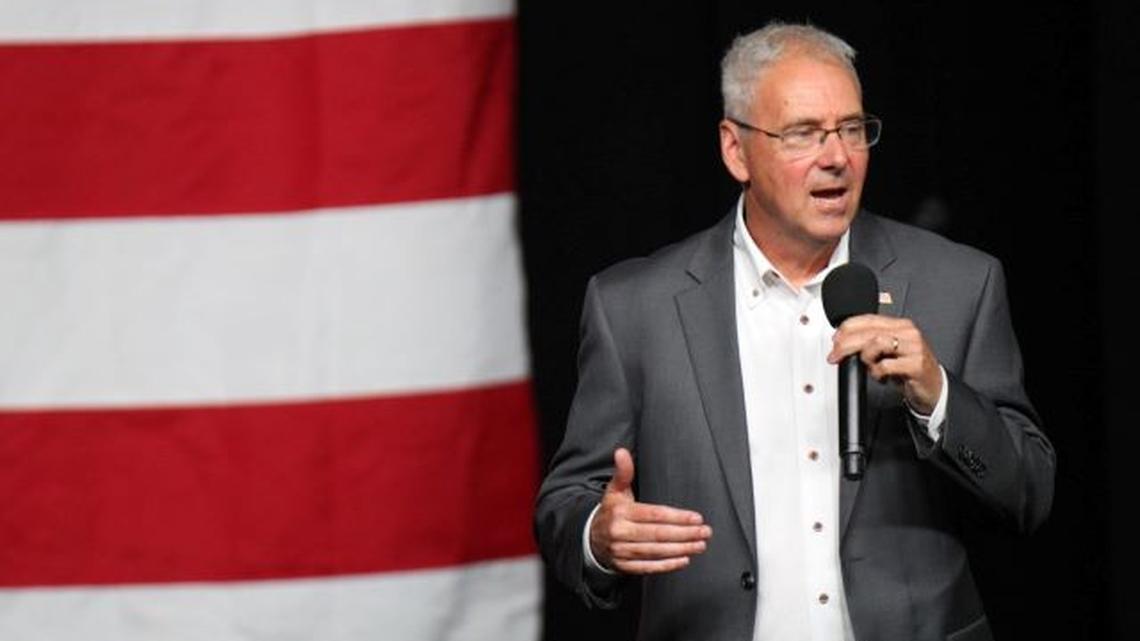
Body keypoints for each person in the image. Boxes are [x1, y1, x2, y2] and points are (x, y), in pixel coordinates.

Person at [534, 21, 1056, 641]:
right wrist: (598, 534)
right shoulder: (634, 308)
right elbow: (566, 505)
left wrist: (937, 394)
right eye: (804, 133)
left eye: (853, 129)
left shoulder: (959, 282)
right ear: (736, 151)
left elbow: (1030, 493)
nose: (836, 156)